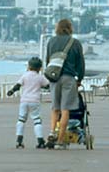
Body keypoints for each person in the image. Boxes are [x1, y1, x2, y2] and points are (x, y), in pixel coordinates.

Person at [46, 18, 85, 150]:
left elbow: (48, 60)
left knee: (55, 108)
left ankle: (52, 132)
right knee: (65, 109)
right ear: (70, 28)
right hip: (69, 78)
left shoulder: (51, 41)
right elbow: (80, 63)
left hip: (54, 77)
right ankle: (60, 140)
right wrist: (79, 79)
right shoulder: (75, 43)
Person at [7, 57, 49, 149]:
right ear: (40, 68)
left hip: (24, 101)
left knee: (21, 120)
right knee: (37, 120)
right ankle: (40, 140)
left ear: (29, 66)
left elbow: (18, 86)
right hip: (35, 101)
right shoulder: (40, 77)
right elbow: (47, 86)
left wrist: (11, 91)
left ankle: (19, 141)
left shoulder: (25, 76)